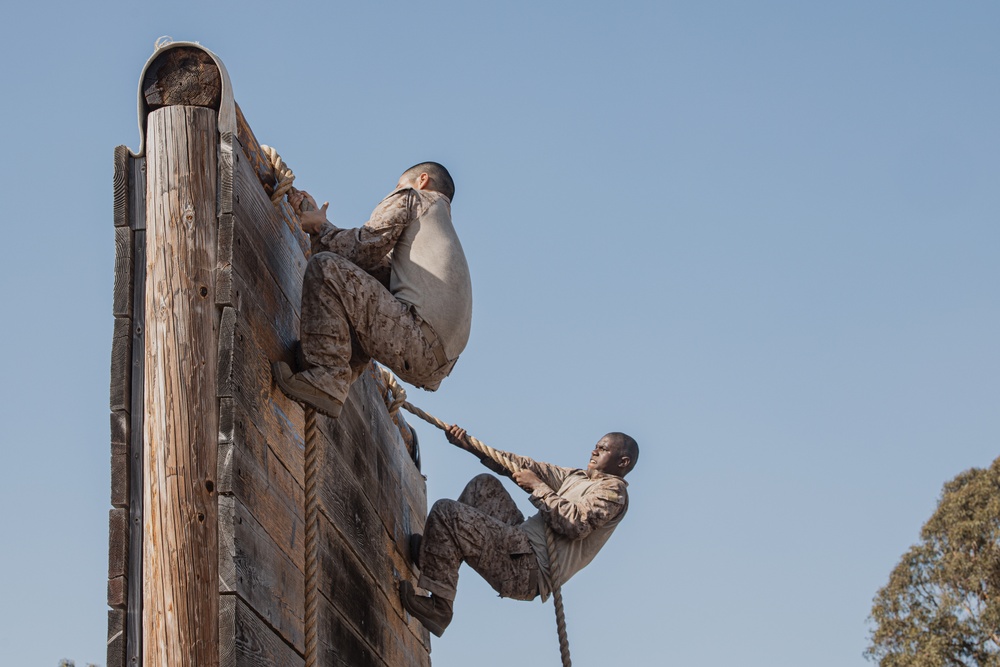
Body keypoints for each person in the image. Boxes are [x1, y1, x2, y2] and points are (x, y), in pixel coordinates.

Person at [272, 162, 472, 418]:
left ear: (422, 180)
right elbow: (367, 270)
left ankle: (328, 377)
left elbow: (365, 246)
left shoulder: (415, 198)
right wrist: (319, 222)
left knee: (326, 268)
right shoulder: (436, 231)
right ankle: (324, 369)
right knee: (363, 277)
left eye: (399, 185)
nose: (396, 190)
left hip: (416, 336)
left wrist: (320, 227)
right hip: (435, 360)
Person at [400, 425, 638, 637]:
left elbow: (576, 525)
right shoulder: (577, 478)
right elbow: (523, 466)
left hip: (527, 567)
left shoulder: (613, 493)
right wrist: (470, 445)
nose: (594, 451)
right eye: (595, 446)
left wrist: (538, 487)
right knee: (483, 485)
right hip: (520, 543)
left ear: (623, 462)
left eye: (602, 449)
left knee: (446, 512)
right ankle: (434, 559)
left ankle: (439, 609)